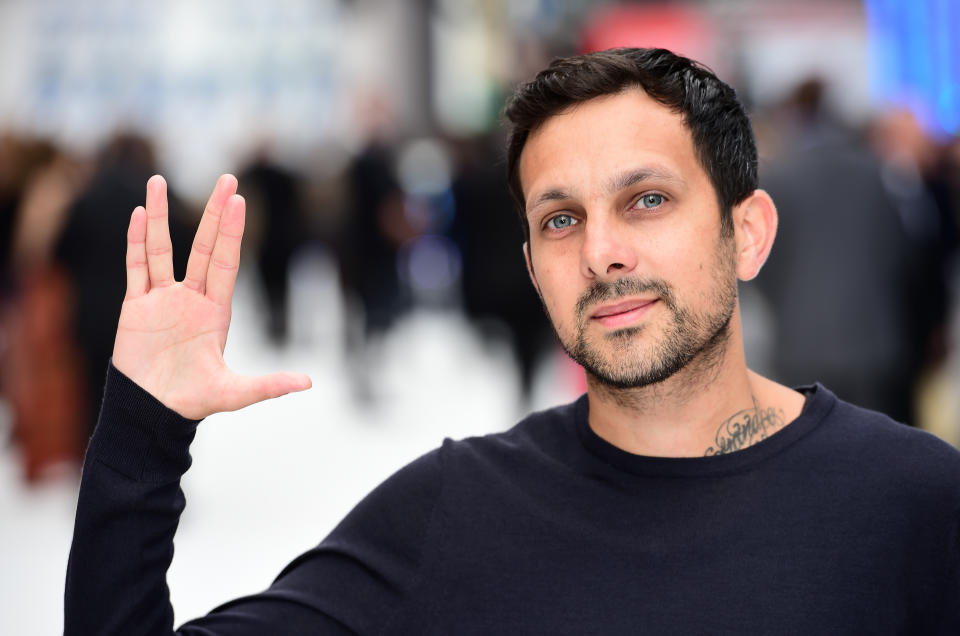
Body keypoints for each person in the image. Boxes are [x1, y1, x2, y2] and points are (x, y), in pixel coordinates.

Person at [65, 48, 960, 634]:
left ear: (749, 232)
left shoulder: (913, 500)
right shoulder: (454, 514)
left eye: (646, 200)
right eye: (562, 218)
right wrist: (143, 431)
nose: (603, 253)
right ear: (535, 266)